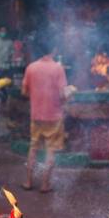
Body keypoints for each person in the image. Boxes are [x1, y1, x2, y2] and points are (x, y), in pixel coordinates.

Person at [21, 41, 68, 193]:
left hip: (36, 115)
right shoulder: (58, 68)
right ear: (53, 50)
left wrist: (36, 96)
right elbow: (63, 94)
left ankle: (28, 181)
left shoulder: (31, 68)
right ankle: (45, 184)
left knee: (33, 148)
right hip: (54, 116)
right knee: (50, 150)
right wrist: (69, 95)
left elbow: (24, 92)